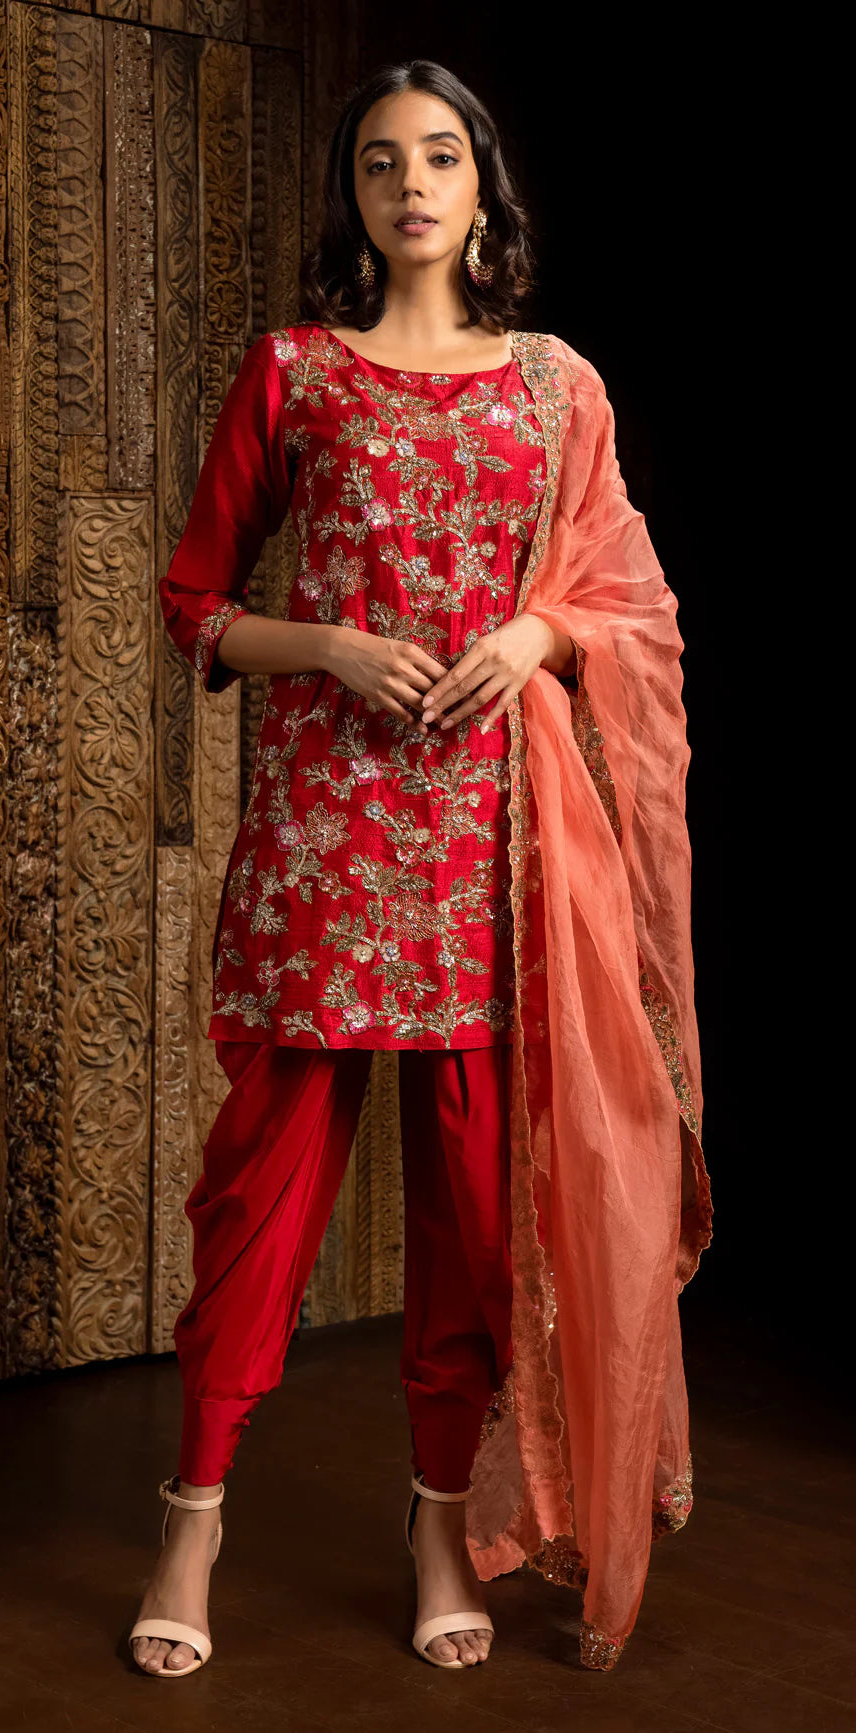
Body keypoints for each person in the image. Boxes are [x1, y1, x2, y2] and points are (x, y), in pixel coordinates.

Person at [129, 57, 713, 1682]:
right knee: (257, 1207)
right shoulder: (291, 374)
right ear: (356, 195)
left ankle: (441, 1521)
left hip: (491, 856)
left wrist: (533, 627)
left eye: (438, 155)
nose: (410, 185)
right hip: (324, 840)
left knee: (469, 1220)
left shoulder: (554, 386)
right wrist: (321, 641)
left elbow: (623, 596)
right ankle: (193, 1515)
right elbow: (194, 605)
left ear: (480, 185)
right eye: (380, 161)